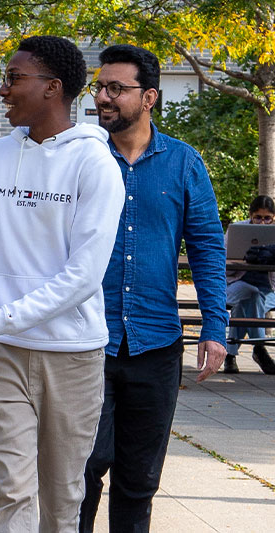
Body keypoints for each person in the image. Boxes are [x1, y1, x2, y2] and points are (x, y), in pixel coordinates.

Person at [0, 36, 125, 532]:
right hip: (2, 350)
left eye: (15, 78)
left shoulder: (95, 164)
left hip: (71, 355)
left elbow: (82, 277)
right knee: (13, 491)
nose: (3, 89)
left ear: (53, 88)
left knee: (61, 500)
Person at [79, 45, 228, 532]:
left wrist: (215, 327)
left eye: (115, 89)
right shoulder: (79, 156)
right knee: (81, 472)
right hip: (84, 341)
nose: (103, 97)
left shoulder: (183, 163)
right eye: (100, 87)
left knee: (139, 480)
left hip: (156, 342)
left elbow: (207, 246)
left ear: (149, 98)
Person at [224, 195, 275, 374]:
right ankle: (259, 349)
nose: (262, 222)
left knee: (248, 300)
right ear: (251, 215)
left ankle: (230, 355)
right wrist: (242, 261)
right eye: (258, 218)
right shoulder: (237, 231)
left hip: (269, 290)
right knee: (250, 295)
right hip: (238, 283)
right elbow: (223, 266)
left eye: (267, 218)